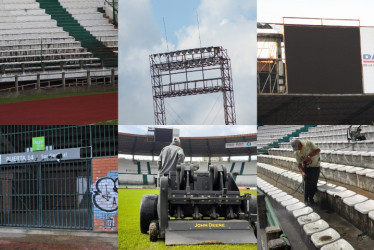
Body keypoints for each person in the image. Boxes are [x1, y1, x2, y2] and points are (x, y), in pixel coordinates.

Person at [290, 139, 321, 206]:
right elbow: (299, 164)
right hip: (306, 168)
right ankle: (306, 200)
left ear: (300, 144)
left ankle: (311, 199)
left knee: (313, 183)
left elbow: (318, 150)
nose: (297, 149)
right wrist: (302, 172)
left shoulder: (308, 143)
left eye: (297, 147)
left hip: (315, 166)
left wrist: (309, 156)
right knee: (306, 183)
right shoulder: (296, 152)